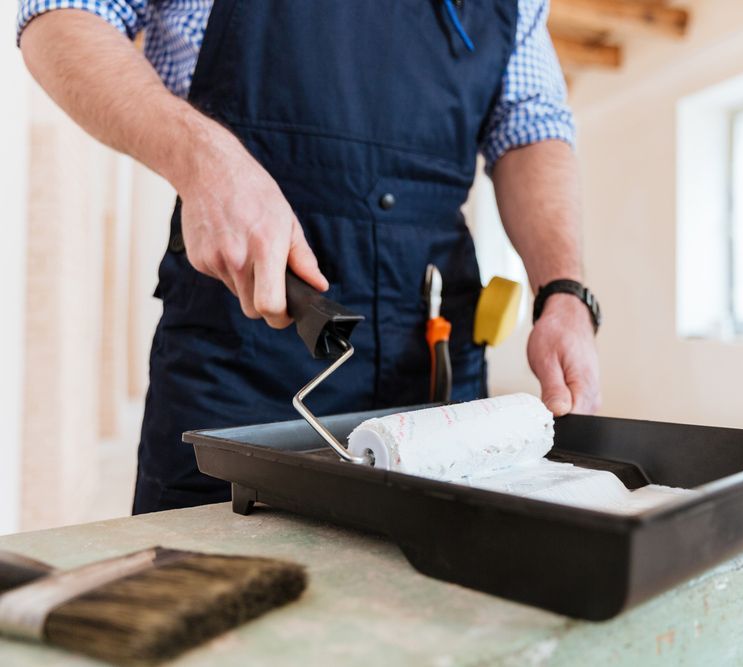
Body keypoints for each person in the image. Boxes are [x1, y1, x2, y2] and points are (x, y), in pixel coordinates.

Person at [18, 0, 602, 513]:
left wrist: (565, 292)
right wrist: (204, 159)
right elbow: (60, 15)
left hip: (434, 363)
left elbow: (530, 124)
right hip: (243, 345)